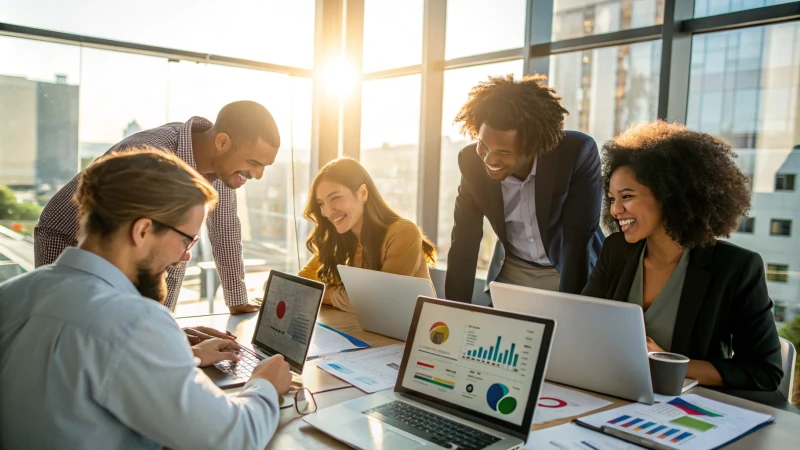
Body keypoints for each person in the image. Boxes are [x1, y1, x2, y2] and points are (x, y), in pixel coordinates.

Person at [0, 149, 292, 449]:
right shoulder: (134, 322)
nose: (186, 255)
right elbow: (234, 439)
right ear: (142, 231)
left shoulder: (14, 293)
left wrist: (184, 357)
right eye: (185, 240)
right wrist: (265, 384)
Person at [582, 121, 783, 391]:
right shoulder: (617, 249)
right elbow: (582, 322)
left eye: (627, 196)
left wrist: (664, 363)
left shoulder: (735, 268)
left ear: (670, 195)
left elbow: (764, 371)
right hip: (617, 390)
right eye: (612, 198)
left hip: (689, 406)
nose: (616, 210)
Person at [35, 100, 280, 315]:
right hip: (68, 234)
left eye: (264, 166)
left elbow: (224, 230)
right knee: (75, 325)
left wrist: (237, 300)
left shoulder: (225, 168)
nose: (258, 175)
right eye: (253, 162)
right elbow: (140, 246)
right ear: (223, 142)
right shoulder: (153, 152)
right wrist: (158, 331)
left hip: (128, 248)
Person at [445, 74, 604, 303]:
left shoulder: (576, 153)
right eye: (483, 146)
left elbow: (577, 240)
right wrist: (453, 309)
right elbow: (464, 240)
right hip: (513, 268)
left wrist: (573, 312)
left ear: (534, 148)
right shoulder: (471, 162)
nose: (489, 160)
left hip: (565, 267)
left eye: (504, 153)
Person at [299, 158, 436, 312]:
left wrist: (324, 293)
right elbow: (302, 283)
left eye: (335, 198)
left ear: (363, 193)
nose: (327, 211)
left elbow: (377, 300)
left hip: (416, 333)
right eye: (321, 203)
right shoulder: (341, 236)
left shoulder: (403, 233)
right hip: (367, 330)